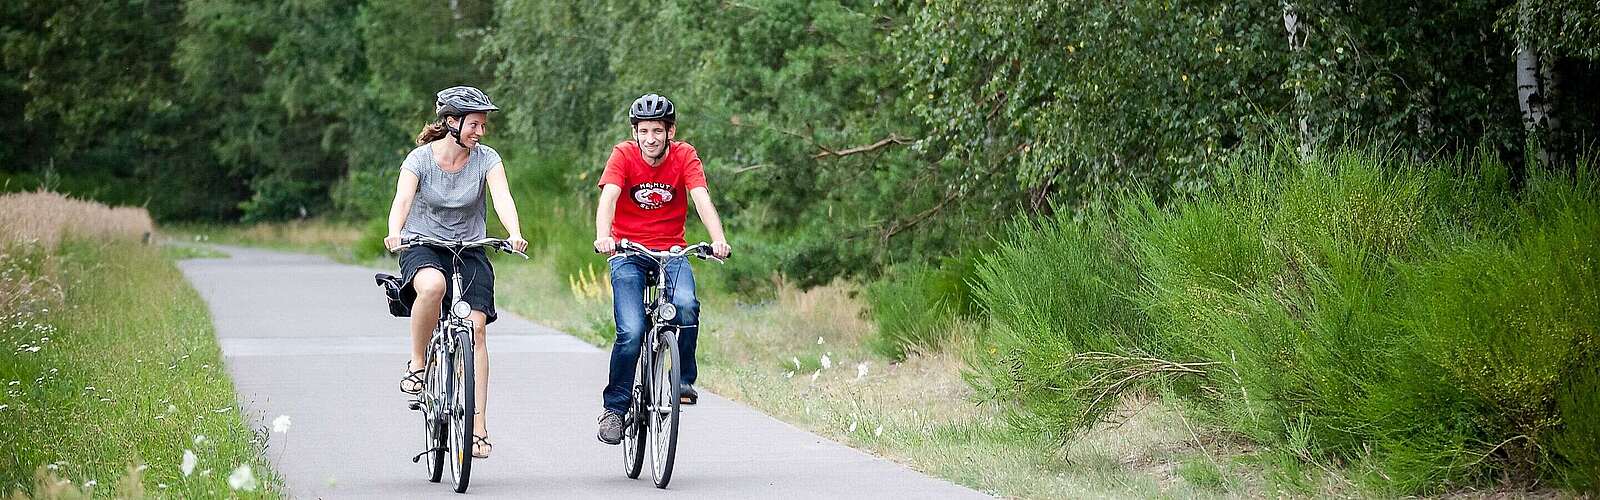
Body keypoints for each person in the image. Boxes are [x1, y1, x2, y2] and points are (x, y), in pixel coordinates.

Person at [384, 85, 528, 459]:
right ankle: (418, 364)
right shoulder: (420, 159)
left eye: (483, 125)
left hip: (470, 249)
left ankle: (478, 426)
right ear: (451, 122)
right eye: (474, 124)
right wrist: (395, 231)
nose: (480, 132)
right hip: (423, 245)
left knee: (477, 328)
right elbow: (402, 199)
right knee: (432, 286)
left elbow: (502, 198)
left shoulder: (487, 159)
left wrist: (514, 233)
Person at [593, 93, 731, 445]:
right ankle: (615, 410)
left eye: (657, 130)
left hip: (671, 251)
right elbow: (609, 196)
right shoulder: (623, 155)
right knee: (632, 330)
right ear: (635, 132)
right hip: (627, 252)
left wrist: (718, 240)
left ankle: (682, 380)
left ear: (671, 131)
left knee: (686, 305)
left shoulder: (685, 156)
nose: (650, 138)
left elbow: (701, 197)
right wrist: (603, 236)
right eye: (643, 131)